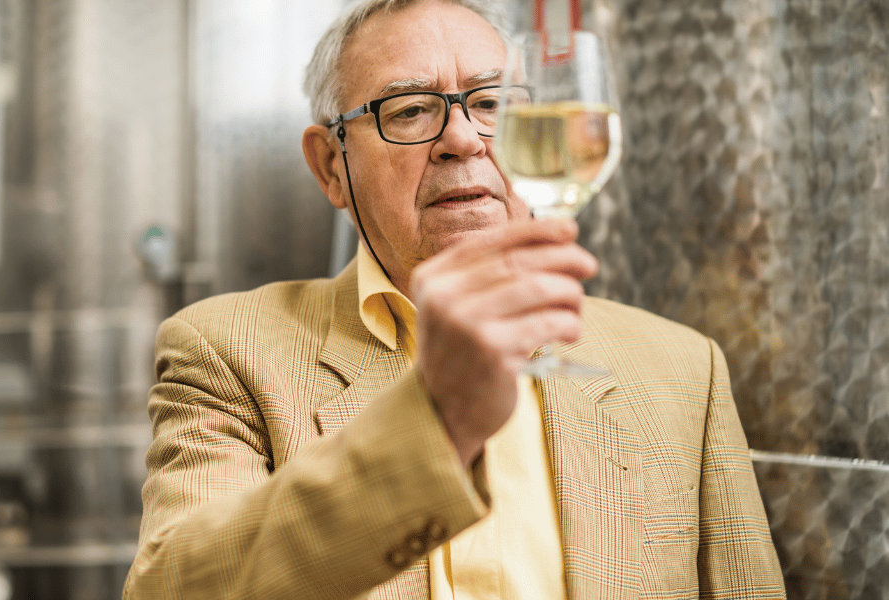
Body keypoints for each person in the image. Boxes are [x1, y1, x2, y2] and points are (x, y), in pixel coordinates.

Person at [123, 0, 785, 598]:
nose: (465, 138)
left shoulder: (681, 368)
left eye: (493, 104)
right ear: (332, 166)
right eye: (410, 109)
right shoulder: (225, 350)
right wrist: (439, 425)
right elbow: (173, 588)